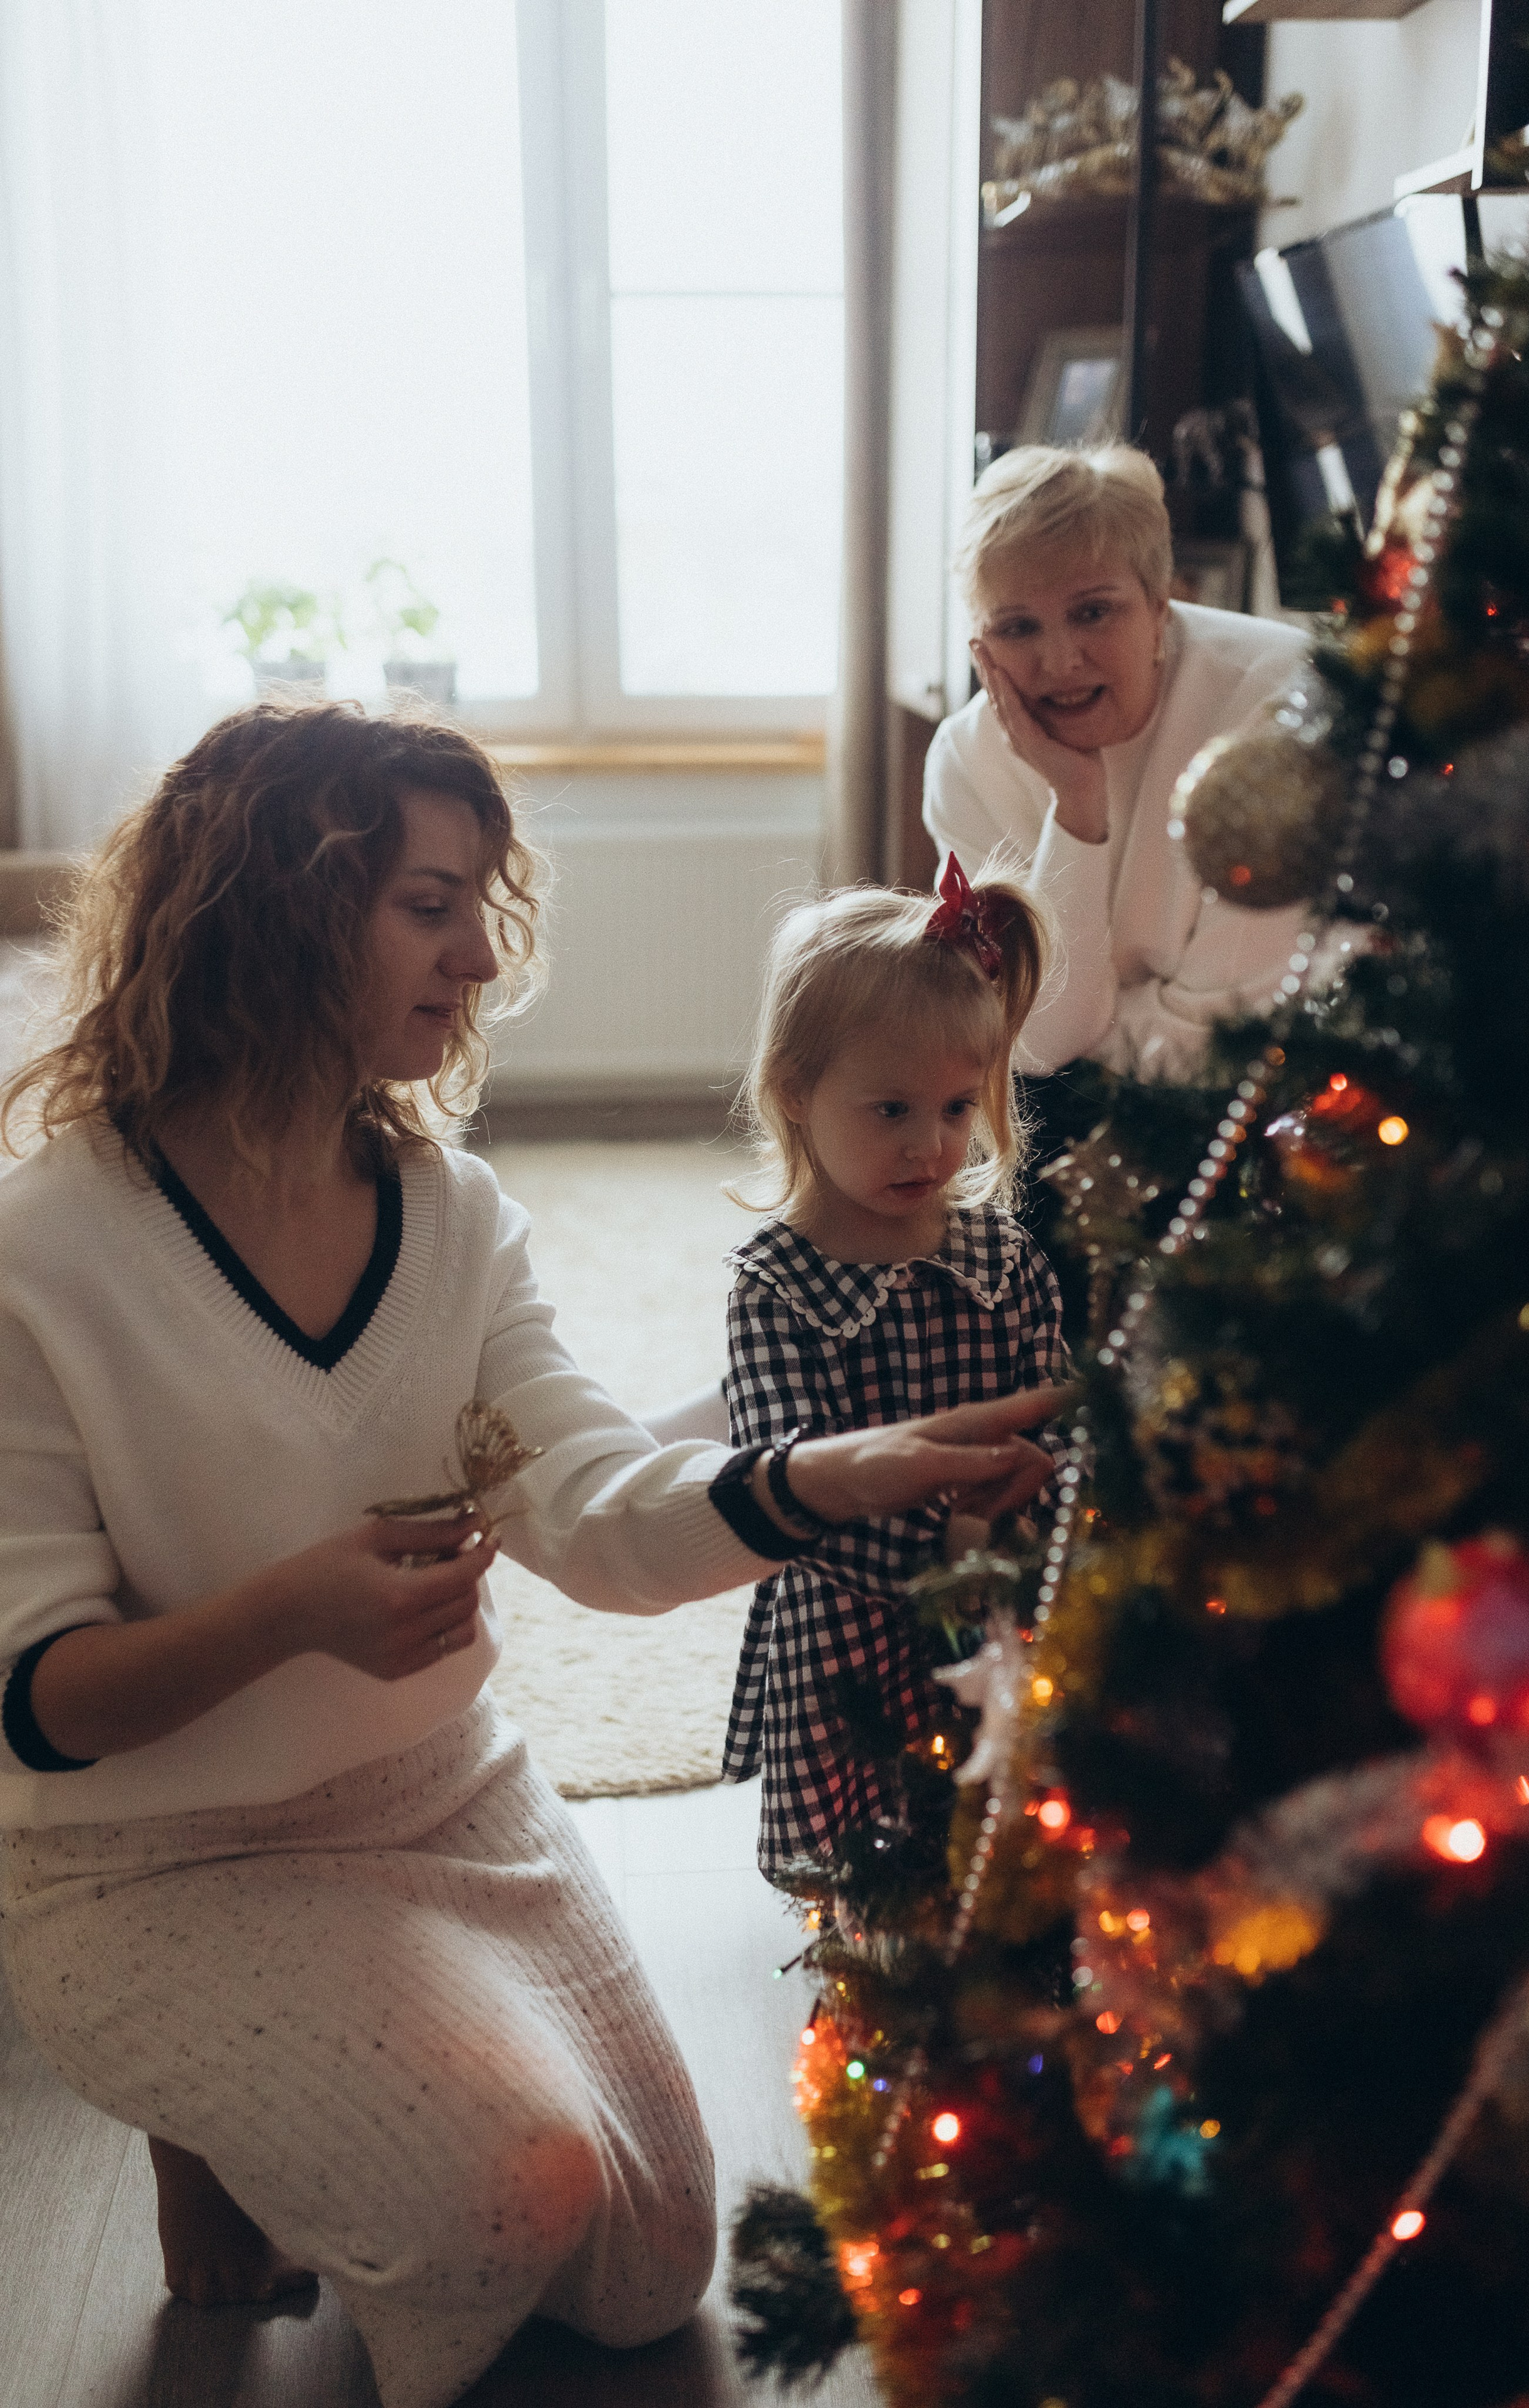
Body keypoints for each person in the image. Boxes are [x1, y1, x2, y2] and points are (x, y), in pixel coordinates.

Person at [0, 702, 1066, 2408]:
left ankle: (311, 2093)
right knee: (510, 2199)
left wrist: (835, 1472)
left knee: (648, 2267)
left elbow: (592, 1504)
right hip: (147, 1860)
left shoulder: (451, 1215)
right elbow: (38, 1702)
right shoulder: (44, 1251)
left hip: (440, 1795)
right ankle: (199, 2120)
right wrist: (293, 1614)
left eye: (481, 908)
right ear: (279, 909)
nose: (482, 959)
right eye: (430, 907)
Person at [720, 858, 1067, 1877]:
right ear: (795, 1091)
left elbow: (1058, 1413)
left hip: (1000, 1601)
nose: (932, 1146)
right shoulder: (775, 1286)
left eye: (958, 1108)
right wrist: (942, 1548)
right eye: (892, 1112)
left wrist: (1023, 1521)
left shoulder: (1004, 1258)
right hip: (848, 1631)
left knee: (993, 1837)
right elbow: (789, 1478)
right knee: (860, 1868)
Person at [923, 443, 1311, 1138]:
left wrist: (1090, 1029)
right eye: (1017, 627)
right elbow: (1038, 1044)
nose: (1060, 661)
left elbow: (1219, 1040)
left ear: (1161, 606)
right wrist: (1075, 807)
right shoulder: (965, 762)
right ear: (980, 644)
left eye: (1093, 613)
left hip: (1282, 1095)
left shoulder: (1277, 701)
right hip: (1067, 1106)